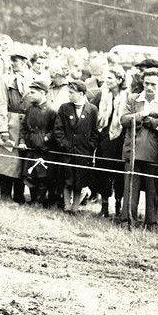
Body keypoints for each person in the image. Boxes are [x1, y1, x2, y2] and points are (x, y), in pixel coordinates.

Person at [118, 68, 158, 228]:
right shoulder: (133, 98)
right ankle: (127, 220)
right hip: (132, 150)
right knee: (130, 189)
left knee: (152, 190)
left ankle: (151, 222)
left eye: (153, 84)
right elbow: (124, 120)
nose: (149, 87)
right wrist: (143, 115)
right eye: (147, 83)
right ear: (142, 82)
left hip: (153, 151)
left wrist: (145, 119)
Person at [88, 65, 128, 217]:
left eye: (110, 78)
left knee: (119, 173)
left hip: (120, 138)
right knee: (103, 171)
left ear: (119, 79)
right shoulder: (101, 95)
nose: (107, 80)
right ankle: (104, 206)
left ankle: (118, 205)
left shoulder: (127, 97)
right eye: (106, 77)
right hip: (104, 137)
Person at [54, 78, 99, 215]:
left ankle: (75, 207)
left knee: (79, 180)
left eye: (72, 92)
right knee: (67, 179)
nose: (69, 95)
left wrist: (90, 146)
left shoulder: (92, 110)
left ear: (81, 93)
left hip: (83, 152)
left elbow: (94, 131)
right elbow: (58, 129)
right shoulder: (64, 108)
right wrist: (65, 145)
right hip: (68, 151)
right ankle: (67, 206)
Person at [0, 48, 30, 203]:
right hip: (10, 122)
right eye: (12, 60)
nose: (14, 63)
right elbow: (0, 104)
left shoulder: (31, 78)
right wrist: (2, 128)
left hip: (27, 122)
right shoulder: (5, 79)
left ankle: (19, 195)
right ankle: (5, 194)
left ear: (25, 62)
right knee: (8, 159)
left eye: (17, 60)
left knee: (22, 160)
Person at [18, 79, 58, 206]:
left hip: (44, 149)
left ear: (42, 92)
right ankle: (33, 199)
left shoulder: (52, 110)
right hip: (31, 147)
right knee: (30, 174)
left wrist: (45, 138)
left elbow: (56, 130)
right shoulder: (30, 108)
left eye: (33, 93)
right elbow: (24, 126)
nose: (30, 95)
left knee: (42, 176)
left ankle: (40, 201)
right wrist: (22, 140)